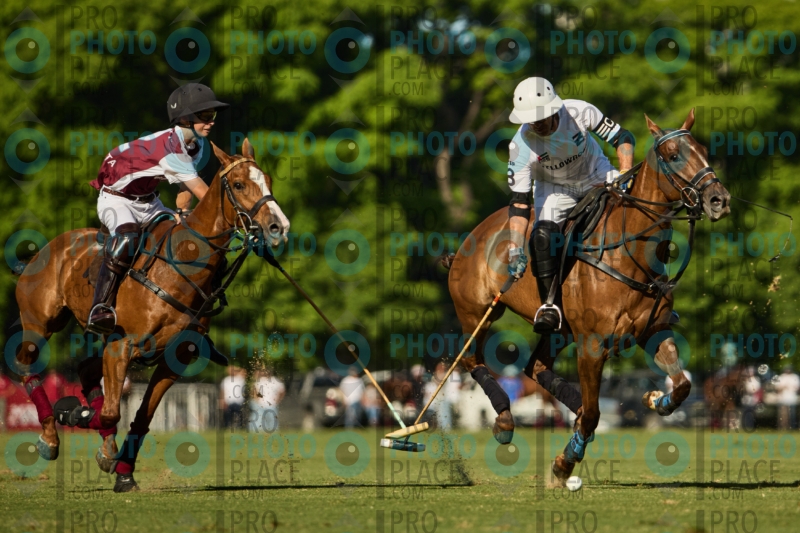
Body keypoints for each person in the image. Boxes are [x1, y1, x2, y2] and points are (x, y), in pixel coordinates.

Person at [85, 82, 230, 362]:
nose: (211, 122)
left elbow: (186, 188)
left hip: (149, 200)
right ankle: (100, 308)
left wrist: (183, 215)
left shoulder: (196, 145)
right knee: (128, 237)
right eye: (205, 116)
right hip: (116, 198)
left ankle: (198, 328)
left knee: (190, 244)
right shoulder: (171, 150)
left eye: (212, 115)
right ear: (185, 119)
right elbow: (204, 194)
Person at [505, 77, 635, 333]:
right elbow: (519, 203)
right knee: (542, 237)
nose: (536, 124)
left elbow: (623, 136)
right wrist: (515, 248)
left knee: (634, 206)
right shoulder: (519, 146)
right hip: (555, 188)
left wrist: (624, 172)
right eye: (530, 119)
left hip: (596, 172)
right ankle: (549, 307)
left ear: (554, 109)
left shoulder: (578, 111)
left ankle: (657, 284)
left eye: (540, 118)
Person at [220, 365, 246, 429]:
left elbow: (244, 371)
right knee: (227, 416)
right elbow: (223, 391)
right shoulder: (226, 380)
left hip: (238, 401)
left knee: (239, 416)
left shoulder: (240, 379)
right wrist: (222, 400)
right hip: (228, 401)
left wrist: (236, 369)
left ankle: (240, 428)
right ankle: (227, 427)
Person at [775, 365, 800, 430]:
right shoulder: (781, 377)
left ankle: (792, 427)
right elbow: (777, 388)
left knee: (792, 414)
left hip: (792, 398)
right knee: (783, 415)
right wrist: (784, 387)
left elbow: (797, 388)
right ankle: (783, 428)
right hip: (783, 399)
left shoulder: (795, 377)